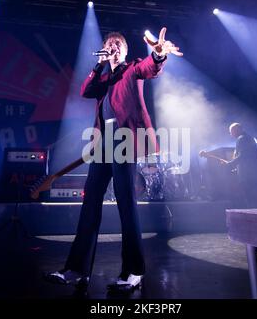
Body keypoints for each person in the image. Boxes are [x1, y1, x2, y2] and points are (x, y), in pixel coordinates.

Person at [45, 28, 182, 291]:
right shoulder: (104, 79)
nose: (114, 47)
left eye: (118, 44)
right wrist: (98, 65)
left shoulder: (132, 69)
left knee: (126, 204)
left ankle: (134, 271)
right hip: (103, 143)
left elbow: (149, 68)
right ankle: (76, 270)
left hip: (124, 140)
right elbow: (86, 90)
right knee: (90, 204)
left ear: (126, 50)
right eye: (109, 44)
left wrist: (158, 54)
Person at [226, 123, 257, 208]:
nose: (231, 134)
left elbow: (243, 156)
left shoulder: (241, 139)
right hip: (254, 174)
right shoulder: (249, 138)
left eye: (231, 132)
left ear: (237, 130)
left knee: (251, 200)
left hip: (247, 176)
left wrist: (231, 164)